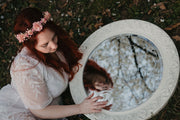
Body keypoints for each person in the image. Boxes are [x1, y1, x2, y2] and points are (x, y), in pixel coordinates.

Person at [0, 8, 108, 120]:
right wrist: (80, 108)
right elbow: (40, 111)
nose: (54, 46)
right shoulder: (26, 69)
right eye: (45, 44)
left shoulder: (52, 45)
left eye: (53, 37)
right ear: (32, 46)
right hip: (26, 110)